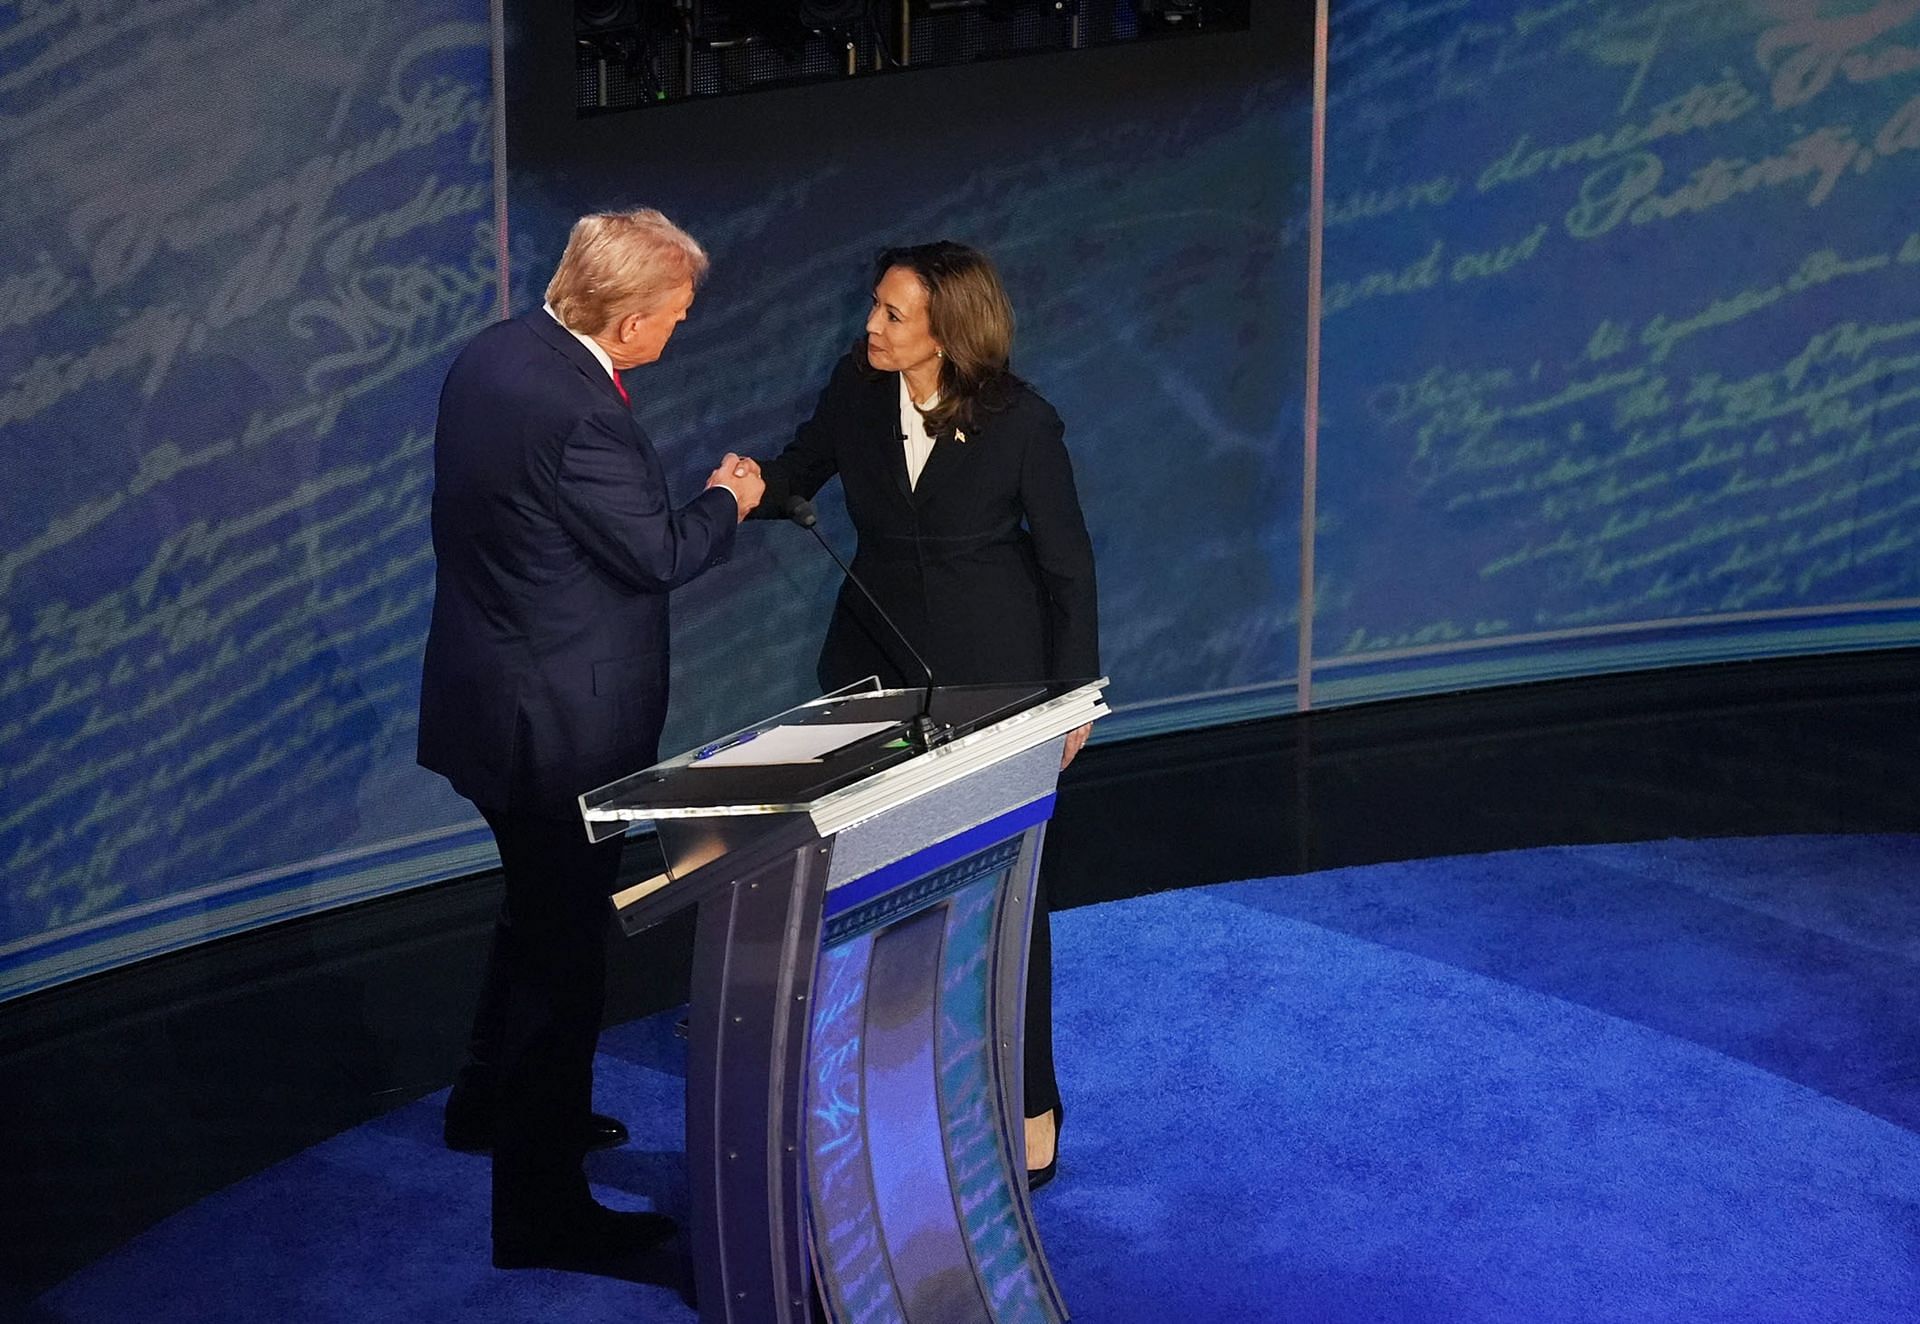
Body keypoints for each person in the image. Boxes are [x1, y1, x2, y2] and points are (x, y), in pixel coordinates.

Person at [417, 208, 765, 1271]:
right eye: (672, 316)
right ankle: (542, 1207)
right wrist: (728, 497)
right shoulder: (582, 417)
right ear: (621, 324)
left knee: (534, 920)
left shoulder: (496, 354)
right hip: (561, 728)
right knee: (563, 965)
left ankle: (489, 1105)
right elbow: (656, 551)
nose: (677, 330)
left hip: (493, 702)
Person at [744, 240, 1097, 1188]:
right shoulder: (855, 389)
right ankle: (890, 1099)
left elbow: (1067, 566)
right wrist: (742, 492)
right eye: (875, 307)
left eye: (893, 315)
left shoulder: (1022, 422)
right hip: (874, 676)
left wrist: (1074, 700)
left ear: (946, 331)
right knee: (881, 891)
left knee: (1012, 900)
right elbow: (799, 472)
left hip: (997, 684)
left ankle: (1030, 1104)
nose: (872, 325)